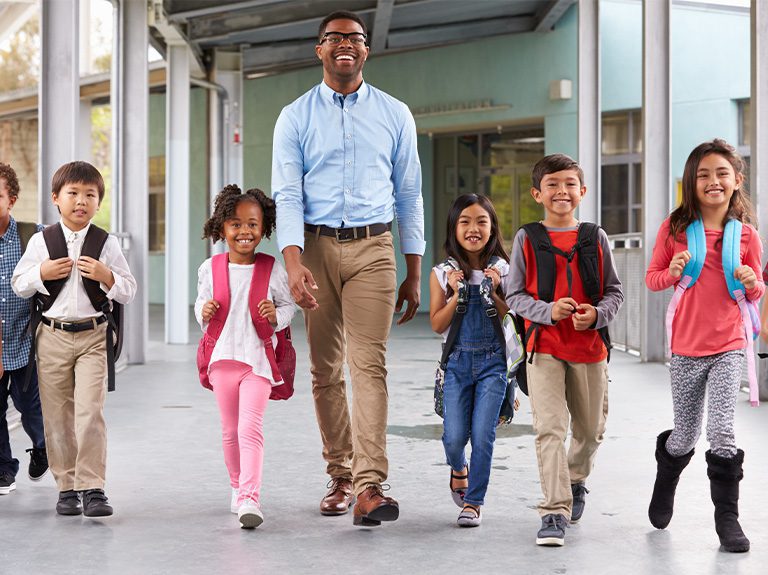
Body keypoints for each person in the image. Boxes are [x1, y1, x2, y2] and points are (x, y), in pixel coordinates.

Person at [271, 9, 424, 527]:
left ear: (366, 49)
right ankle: (339, 473)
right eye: (334, 38)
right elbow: (287, 193)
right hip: (313, 248)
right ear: (319, 49)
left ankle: (369, 484)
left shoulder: (394, 112)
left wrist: (414, 267)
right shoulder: (294, 116)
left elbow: (409, 194)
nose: (345, 45)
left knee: (369, 364)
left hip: (374, 247)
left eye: (354, 38)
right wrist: (292, 261)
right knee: (325, 368)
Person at [645, 139, 762, 553]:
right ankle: (667, 474)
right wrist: (672, 270)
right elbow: (653, 278)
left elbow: (757, 290)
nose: (713, 181)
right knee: (686, 434)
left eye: (721, 173)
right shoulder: (675, 229)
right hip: (686, 347)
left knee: (722, 429)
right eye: (703, 175)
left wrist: (753, 283)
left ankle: (727, 519)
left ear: (737, 180)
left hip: (729, 343)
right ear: (691, 183)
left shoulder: (747, 235)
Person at [508, 154, 624, 546]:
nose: (562, 191)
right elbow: (514, 295)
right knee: (550, 430)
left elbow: (614, 292)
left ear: (583, 191)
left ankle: (575, 480)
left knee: (591, 432)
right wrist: (547, 311)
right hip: (544, 348)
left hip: (590, 348)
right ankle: (553, 510)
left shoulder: (595, 237)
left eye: (570, 184)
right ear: (537, 193)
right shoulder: (527, 237)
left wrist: (597, 316)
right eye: (553, 184)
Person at [11, 161, 136, 517]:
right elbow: (19, 284)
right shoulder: (41, 240)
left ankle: (92, 486)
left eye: (90, 195)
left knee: (90, 412)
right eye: (73, 194)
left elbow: (129, 290)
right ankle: (66, 487)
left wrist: (107, 275)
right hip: (51, 337)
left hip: (94, 337)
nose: (81, 201)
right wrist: (41, 272)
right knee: (57, 416)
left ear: (98, 202)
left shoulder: (106, 243)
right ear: (56, 199)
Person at [195, 185, 295, 529]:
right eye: (235, 224)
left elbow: (288, 306)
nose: (244, 232)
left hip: (258, 361)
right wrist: (203, 310)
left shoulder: (272, 268)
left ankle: (251, 496)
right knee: (229, 429)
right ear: (221, 227)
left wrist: (275, 316)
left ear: (263, 227)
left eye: (253, 224)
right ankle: (237, 486)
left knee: (250, 428)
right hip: (222, 359)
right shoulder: (210, 268)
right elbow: (200, 304)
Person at [429, 194, 512, 527]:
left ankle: (474, 502)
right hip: (457, 363)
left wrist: (494, 291)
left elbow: (513, 319)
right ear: (454, 228)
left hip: (494, 363)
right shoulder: (441, 273)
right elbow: (437, 323)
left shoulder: (505, 271)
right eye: (465, 221)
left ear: (492, 228)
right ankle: (459, 468)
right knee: (453, 438)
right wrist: (456, 293)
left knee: (482, 435)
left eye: (481, 221)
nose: (473, 228)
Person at [0, 163, 47, 496]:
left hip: (25, 339)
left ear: (11, 200)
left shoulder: (33, 236)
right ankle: (4, 469)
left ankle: (43, 446)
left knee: (30, 406)